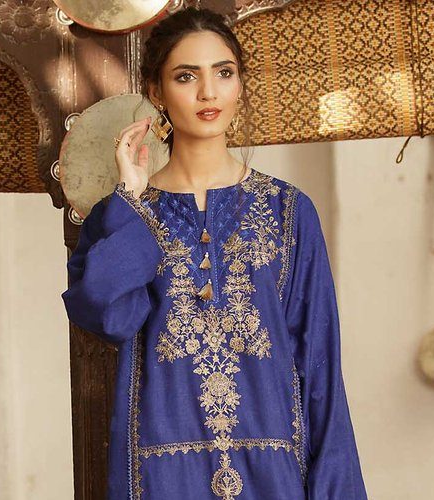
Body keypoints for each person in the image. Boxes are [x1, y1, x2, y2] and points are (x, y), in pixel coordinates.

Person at [62, 7, 367, 500]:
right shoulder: (128, 215)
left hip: (274, 473)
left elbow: (320, 365)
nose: (209, 92)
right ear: (156, 91)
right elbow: (107, 314)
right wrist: (132, 198)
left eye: (223, 73)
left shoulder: (289, 211)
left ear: (240, 84)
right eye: (187, 77)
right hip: (161, 473)